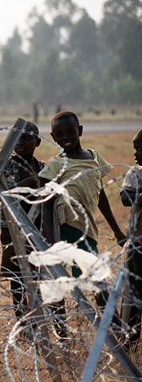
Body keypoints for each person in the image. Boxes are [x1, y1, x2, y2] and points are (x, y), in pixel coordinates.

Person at [39, 110, 125, 339]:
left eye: (70, 131)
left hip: (88, 229)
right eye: (59, 134)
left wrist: (116, 230)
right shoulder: (57, 163)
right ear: (53, 137)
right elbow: (46, 201)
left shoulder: (94, 158)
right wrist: (50, 236)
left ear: (81, 131)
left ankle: (108, 325)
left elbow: (101, 194)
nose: (66, 137)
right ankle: (72, 330)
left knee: (83, 279)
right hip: (67, 227)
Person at [0, 121, 44, 325]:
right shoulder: (5, 166)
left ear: (38, 141)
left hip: (37, 230)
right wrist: (32, 181)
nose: (20, 142)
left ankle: (38, 320)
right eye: (16, 138)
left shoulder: (43, 168)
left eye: (26, 138)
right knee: (17, 279)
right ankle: (22, 321)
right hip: (11, 230)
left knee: (38, 277)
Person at [120, 129, 142, 347]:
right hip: (137, 244)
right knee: (132, 293)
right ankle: (129, 337)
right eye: (135, 149)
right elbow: (126, 197)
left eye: (140, 149)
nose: (136, 154)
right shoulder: (136, 173)